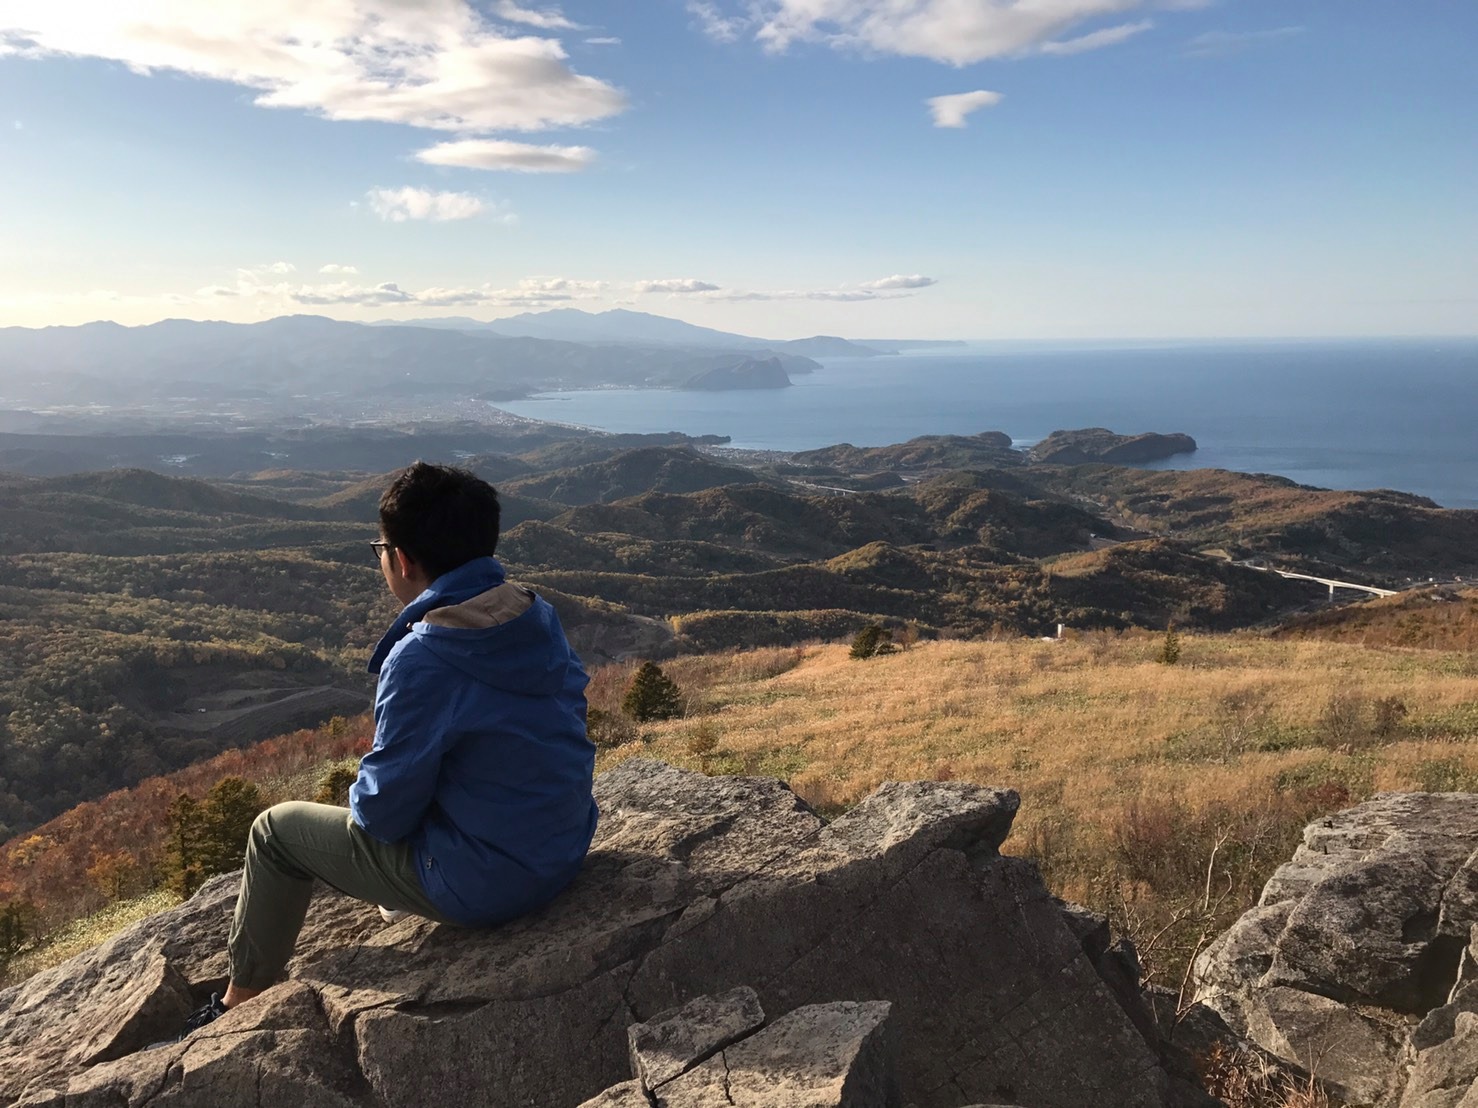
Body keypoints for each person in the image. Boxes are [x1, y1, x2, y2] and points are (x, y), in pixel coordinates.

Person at [175, 461, 596, 1035]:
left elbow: (382, 813)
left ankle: (239, 1002)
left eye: (381, 548)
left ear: (402, 559)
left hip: (488, 885)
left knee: (274, 833)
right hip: (563, 848)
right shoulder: (533, 614)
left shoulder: (426, 655)